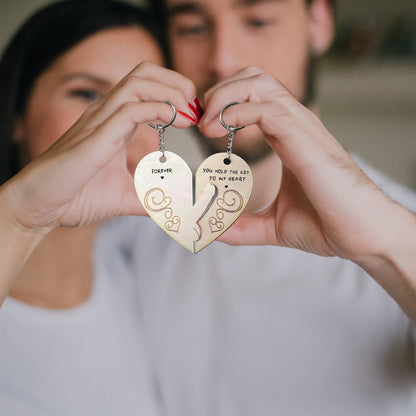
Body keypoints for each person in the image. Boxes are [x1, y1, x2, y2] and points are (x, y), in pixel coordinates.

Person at [1, 1, 416, 416]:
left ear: (320, 22)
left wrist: (387, 247)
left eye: (258, 20)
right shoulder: (140, 229)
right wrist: (19, 213)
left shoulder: (397, 238)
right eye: (192, 27)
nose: (223, 60)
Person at [0, 1, 198, 414]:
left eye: (148, 107)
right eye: (88, 94)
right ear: (16, 112)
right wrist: (18, 216)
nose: (118, 127)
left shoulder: (144, 267)